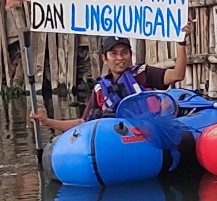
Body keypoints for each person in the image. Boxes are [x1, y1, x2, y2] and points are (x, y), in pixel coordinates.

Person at [31, 37, 184, 132]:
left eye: (124, 52)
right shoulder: (100, 89)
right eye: (114, 54)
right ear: (104, 58)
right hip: (118, 139)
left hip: (150, 132)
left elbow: (178, 75)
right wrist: (47, 121)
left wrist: (181, 43)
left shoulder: (143, 73)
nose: (120, 58)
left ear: (130, 55)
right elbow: (82, 123)